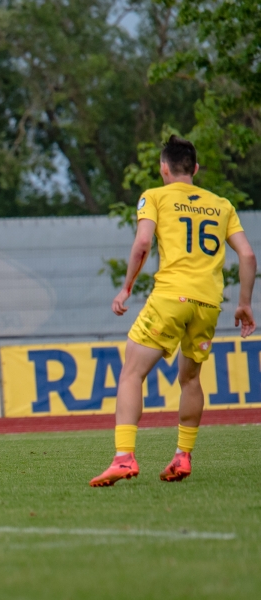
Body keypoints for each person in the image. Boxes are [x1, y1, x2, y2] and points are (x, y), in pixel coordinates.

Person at [90, 135, 256, 487]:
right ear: (195, 168)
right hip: (208, 304)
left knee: (131, 373)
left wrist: (126, 287)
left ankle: (124, 457)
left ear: (163, 168)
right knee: (191, 379)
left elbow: (143, 242)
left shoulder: (155, 196)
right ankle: (183, 455)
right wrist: (244, 303)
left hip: (170, 297)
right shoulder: (221, 204)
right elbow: (247, 255)